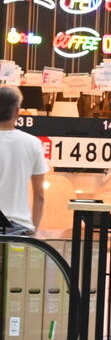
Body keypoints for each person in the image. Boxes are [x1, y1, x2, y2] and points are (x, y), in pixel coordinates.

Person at [0, 85, 48, 234]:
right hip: (19, 228)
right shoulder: (32, 143)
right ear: (16, 111)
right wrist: (34, 229)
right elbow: (39, 195)